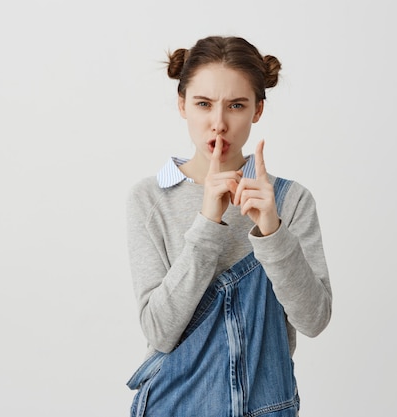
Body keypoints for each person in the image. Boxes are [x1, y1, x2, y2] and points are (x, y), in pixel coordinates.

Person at [125, 35, 332, 417]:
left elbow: (314, 320)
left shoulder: (290, 200)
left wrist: (272, 232)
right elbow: (158, 330)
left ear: (257, 111)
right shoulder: (151, 198)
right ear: (182, 105)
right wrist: (207, 222)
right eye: (203, 104)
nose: (218, 124)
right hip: (174, 405)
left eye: (236, 106)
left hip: (268, 407)